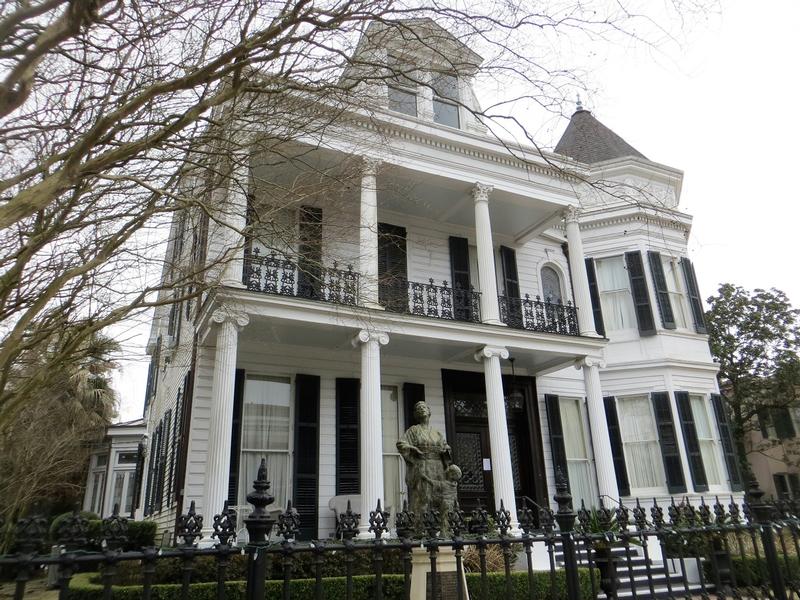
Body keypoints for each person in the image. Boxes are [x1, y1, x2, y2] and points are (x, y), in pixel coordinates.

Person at [396, 401, 455, 518]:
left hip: (438, 468)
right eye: (418, 408)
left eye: (424, 407)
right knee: (423, 496)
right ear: (416, 414)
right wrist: (414, 449)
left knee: (439, 495)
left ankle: (440, 526)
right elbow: (401, 444)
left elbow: (445, 446)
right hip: (422, 466)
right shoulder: (413, 430)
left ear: (429, 412)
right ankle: (420, 527)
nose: (421, 409)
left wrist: (446, 450)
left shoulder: (437, 432)